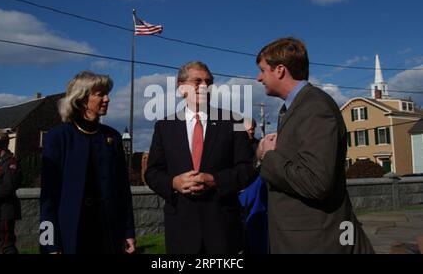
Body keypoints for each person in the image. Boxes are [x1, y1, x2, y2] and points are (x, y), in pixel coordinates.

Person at [255, 37, 374, 254]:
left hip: (316, 242)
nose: (259, 78)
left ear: (280, 70)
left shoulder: (315, 107)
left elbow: (316, 182)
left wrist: (268, 157)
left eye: (263, 70)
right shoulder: (296, 108)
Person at [145, 61, 257, 254]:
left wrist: (215, 180)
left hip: (222, 228)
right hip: (181, 228)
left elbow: (247, 169)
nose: (204, 86)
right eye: (197, 81)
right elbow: (153, 172)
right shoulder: (164, 127)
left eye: (209, 82)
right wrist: (174, 182)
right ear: (181, 88)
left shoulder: (234, 122)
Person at [40, 71, 135, 254]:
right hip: (71, 233)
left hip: (109, 232)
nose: (107, 99)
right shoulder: (58, 137)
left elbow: (123, 191)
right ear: (82, 99)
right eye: (100, 94)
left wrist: (129, 232)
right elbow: (48, 198)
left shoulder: (112, 137)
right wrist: (49, 244)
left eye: (107, 94)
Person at [239, 118, 268, 254]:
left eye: (253, 129)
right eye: (248, 129)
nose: (251, 131)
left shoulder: (258, 145)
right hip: (240, 192)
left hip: (256, 190)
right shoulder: (236, 145)